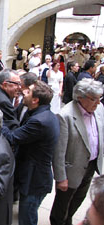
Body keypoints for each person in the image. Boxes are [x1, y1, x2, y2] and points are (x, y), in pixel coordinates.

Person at [2, 80, 60, 225]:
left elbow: (13, 137)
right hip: (32, 175)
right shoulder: (39, 113)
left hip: (34, 180)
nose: (23, 92)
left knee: (27, 218)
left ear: (35, 100)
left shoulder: (39, 121)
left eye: (28, 92)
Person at [50, 78, 104, 225]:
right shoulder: (65, 115)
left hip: (91, 165)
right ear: (80, 97)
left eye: (100, 98)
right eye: (94, 99)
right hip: (71, 171)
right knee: (61, 208)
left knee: (78, 200)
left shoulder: (99, 109)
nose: (98, 103)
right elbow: (59, 151)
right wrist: (61, 177)